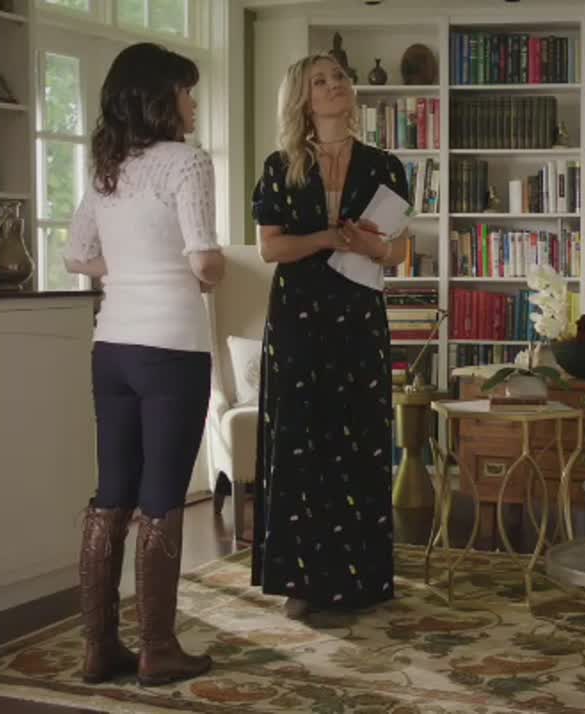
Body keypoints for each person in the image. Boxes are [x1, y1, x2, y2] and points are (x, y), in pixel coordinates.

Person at [64, 42, 222, 687]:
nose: (193, 102)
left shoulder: (108, 168)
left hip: (112, 348)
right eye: (186, 90)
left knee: (112, 495)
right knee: (161, 499)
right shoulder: (187, 162)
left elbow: (77, 256)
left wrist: (128, 268)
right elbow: (205, 260)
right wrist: (200, 272)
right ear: (160, 97)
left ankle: (99, 647)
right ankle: (158, 649)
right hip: (171, 348)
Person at [250, 54, 412, 620]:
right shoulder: (281, 167)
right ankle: (300, 581)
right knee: (301, 439)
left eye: (339, 76)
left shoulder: (385, 165)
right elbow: (270, 247)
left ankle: (361, 578)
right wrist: (325, 238)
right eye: (320, 80)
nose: (334, 85)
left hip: (359, 313)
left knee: (360, 437)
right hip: (297, 315)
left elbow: (399, 249)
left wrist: (372, 247)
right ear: (302, 98)